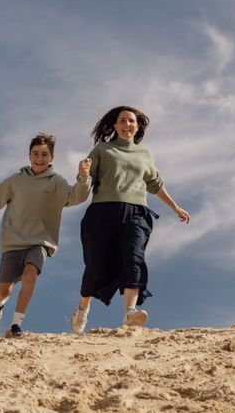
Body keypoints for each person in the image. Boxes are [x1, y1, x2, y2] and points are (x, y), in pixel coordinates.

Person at [69, 106, 191, 334]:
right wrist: (83, 174)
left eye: (131, 121)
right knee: (96, 267)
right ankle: (83, 309)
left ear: (137, 126)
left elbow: (155, 184)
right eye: (122, 121)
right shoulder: (102, 150)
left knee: (134, 259)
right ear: (115, 126)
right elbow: (86, 182)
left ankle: (130, 312)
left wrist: (175, 207)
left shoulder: (145, 154)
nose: (127, 125)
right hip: (102, 213)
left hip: (137, 212)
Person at [0, 133, 91, 338]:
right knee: (4, 290)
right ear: (29, 156)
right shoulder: (17, 180)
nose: (39, 158)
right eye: (35, 153)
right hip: (13, 242)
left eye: (44, 154)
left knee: (30, 275)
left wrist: (83, 177)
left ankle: (16, 325)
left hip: (40, 242)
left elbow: (75, 196)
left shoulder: (56, 182)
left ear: (51, 158)